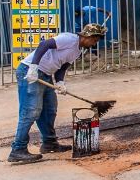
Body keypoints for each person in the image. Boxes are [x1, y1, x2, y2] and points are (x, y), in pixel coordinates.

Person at [8, 23, 107, 164]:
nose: (94, 44)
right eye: (94, 41)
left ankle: (49, 143)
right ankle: (18, 149)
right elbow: (44, 44)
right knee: (30, 111)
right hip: (29, 72)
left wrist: (60, 82)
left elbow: (62, 67)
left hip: (46, 75)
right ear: (87, 36)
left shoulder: (78, 51)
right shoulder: (69, 39)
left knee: (49, 111)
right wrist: (33, 67)